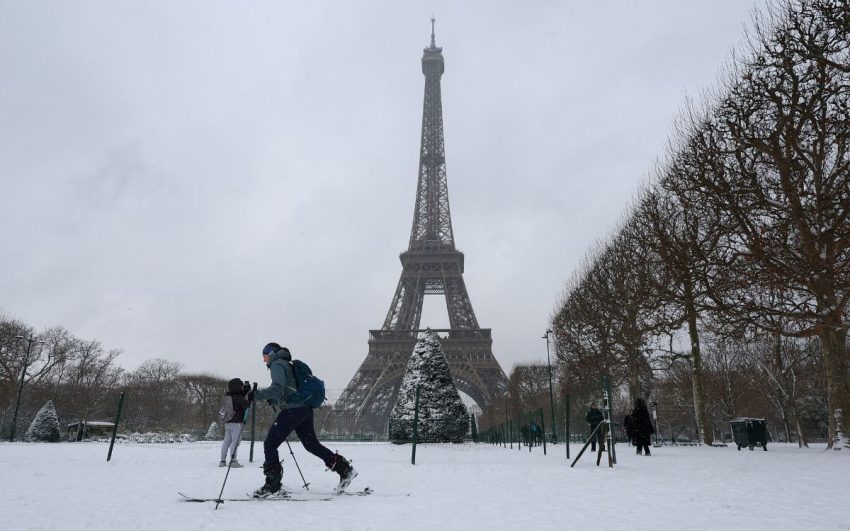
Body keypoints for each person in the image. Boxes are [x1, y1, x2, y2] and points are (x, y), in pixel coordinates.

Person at [249, 342, 357, 497]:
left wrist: (256, 395)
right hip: (305, 410)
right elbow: (289, 389)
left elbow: (278, 388)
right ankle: (345, 470)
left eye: (264, 355)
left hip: (293, 410)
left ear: (271, 353)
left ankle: (272, 485)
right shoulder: (288, 363)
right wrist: (274, 400)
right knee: (311, 444)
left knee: (270, 444)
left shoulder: (277, 364)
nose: (264, 360)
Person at [218, 378, 250, 467]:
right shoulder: (238, 397)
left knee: (226, 442)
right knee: (235, 442)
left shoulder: (228, 396)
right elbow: (246, 405)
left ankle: (222, 461)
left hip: (228, 422)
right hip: (237, 422)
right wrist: (247, 395)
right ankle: (233, 461)